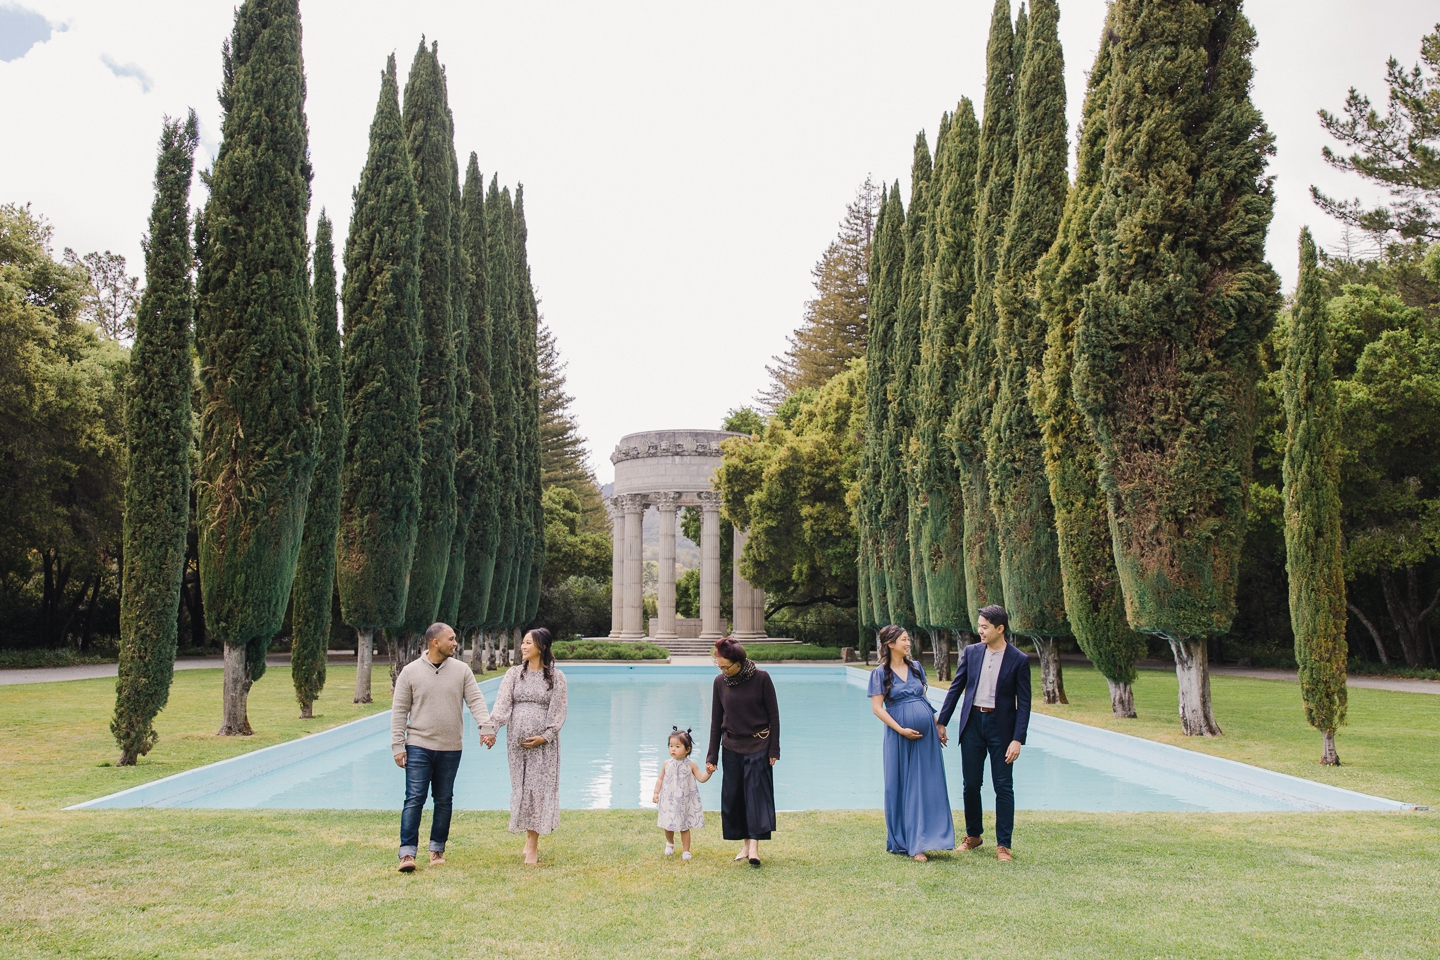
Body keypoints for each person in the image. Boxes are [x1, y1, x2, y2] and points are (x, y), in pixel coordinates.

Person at [390, 621, 496, 874]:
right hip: (418, 745)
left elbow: (476, 700)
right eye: (451, 638)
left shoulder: (461, 670)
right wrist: (397, 745)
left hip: (450, 747)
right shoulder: (410, 672)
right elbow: (399, 711)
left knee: (444, 799)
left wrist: (486, 727)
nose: (455, 643)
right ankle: (407, 853)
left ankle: (437, 848)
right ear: (435, 642)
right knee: (414, 798)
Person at [936, 604, 1032, 862]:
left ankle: (1004, 845)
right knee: (971, 785)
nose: (979, 630)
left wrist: (1017, 739)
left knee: (1003, 786)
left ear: (1000, 628)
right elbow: (956, 688)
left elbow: (1024, 703)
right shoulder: (972, 652)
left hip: (1002, 729)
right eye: (979, 625)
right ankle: (974, 835)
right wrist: (942, 721)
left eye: (984, 627)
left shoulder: (1019, 660)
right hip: (972, 724)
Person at [868, 625, 955, 861]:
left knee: (928, 785)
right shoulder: (879, 673)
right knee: (905, 786)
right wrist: (901, 730)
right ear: (891, 644)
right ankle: (913, 844)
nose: (909, 644)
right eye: (905, 640)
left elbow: (924, 698)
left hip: (926, 738)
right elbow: (877, 708)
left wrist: (937, 725)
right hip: (899, 737)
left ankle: (934, 837)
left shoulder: (916, 668)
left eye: (908, 640)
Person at [490, 627, 568, 865]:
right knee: (523, 790)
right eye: (522, 643)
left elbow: (559, 710)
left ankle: (533, 844)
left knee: (538, 790)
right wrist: (491, 731)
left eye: (527, 643)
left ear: (541, 647)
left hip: (544, 745)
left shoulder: (557, 677)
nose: (523, 647)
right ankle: (528, 837)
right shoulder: (514, 674)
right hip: (517, 743)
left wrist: (546, 736)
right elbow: (502, 704)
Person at [705, 636, 780, 867]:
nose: (724, 670)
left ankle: (755, 847)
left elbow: (774, 716)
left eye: (727, 666)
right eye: (720, 666)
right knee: (735, 797)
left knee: (756, 797)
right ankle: (745, 844)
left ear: (739, 661)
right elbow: (716, 720)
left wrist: (774, 748)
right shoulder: (719, 682)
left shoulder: (762, 679)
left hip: (759, 746)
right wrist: (711, 755)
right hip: (731, 747)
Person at [652, 726, 712, 860]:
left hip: (684, 802)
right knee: (668, 826)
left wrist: (708, 773)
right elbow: (660, 779)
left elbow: (701, 778)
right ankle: (670, 843)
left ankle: (686, 850)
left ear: (687, 749)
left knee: (684, 827)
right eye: (671, 746)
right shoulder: (666, 764)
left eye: (677, 746)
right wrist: (656, 793)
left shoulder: (691, 765)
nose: (673, 749)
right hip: (669, 800)